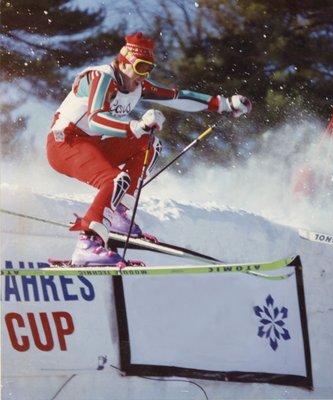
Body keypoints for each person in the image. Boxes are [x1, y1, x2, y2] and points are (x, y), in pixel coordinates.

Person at [47, 32, 252, 266]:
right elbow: (95, 119)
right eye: (141, 66)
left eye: (149, 69)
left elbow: (176, 96)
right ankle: (88, 245)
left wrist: (222, 104)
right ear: (123, 62)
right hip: (65, 143)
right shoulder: (101, 77)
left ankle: (119, 216)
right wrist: (135, 125)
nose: (144, 75)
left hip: (93, 144)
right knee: (115, 179)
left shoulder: (137, 86)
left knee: (149, 143)